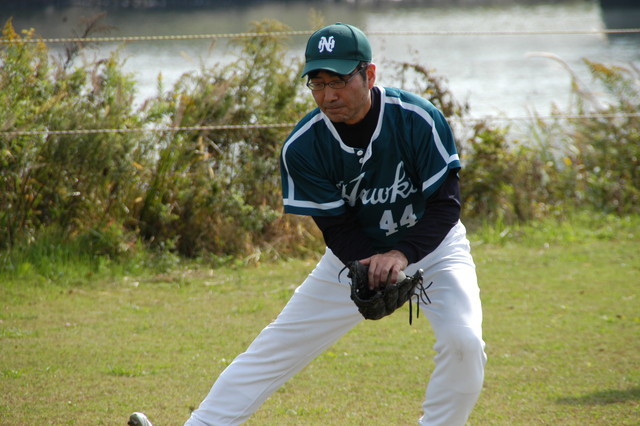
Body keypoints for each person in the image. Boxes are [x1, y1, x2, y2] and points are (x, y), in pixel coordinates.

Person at [129, 22, 486, 426]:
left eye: (339, 80)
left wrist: (401, 255)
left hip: (433, 247)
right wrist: (368, 264)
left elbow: (446, 206)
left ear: (369, 74)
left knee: (464, 342)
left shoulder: (417, 119)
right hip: (356, 256)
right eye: (317, 83)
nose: (328, 95)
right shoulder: (304, 146)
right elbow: (336, 226)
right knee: (276, 346)